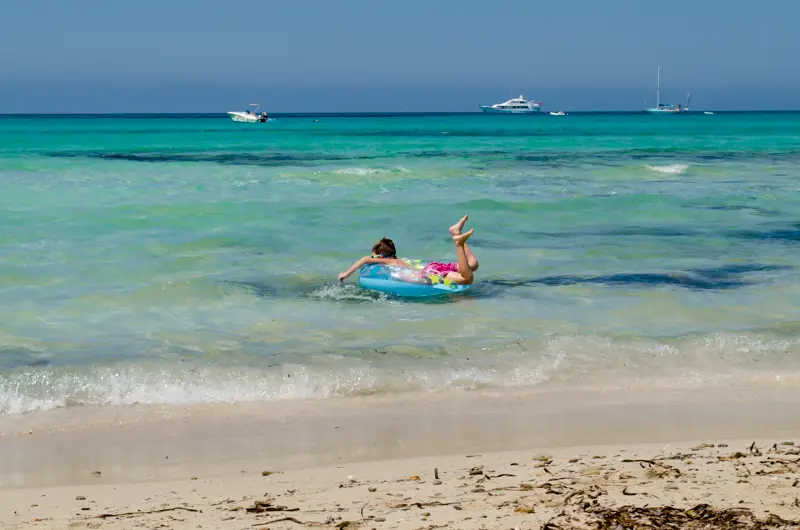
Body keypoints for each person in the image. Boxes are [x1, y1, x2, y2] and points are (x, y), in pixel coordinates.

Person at [338, 215, 479, 285]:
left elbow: (364, 260)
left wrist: (345, 273)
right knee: (472, 265)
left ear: (380, 255)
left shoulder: (387, 262)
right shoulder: (400, 260)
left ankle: (459, 244)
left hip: (429, 275)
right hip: (432, 267)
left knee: (467, 279)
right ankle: (456, 232)